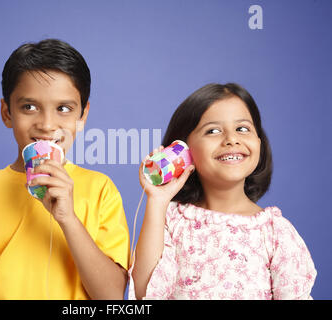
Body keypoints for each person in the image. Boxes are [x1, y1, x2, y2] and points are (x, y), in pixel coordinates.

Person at [0, 39, 130, 300]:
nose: (47, 124)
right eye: (29, 107)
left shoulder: (101, 191)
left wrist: (68, 219)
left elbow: (111, 297)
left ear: (82, 117)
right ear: (7, 112)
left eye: (64, 109)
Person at [129, 83, 316, 300]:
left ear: (259, 142)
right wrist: (157, 201)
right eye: (213, 131)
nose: (231, 139)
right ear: (185, 151)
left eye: (243, 128)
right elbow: (145, 294)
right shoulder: (170, 221)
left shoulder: (276, 232)